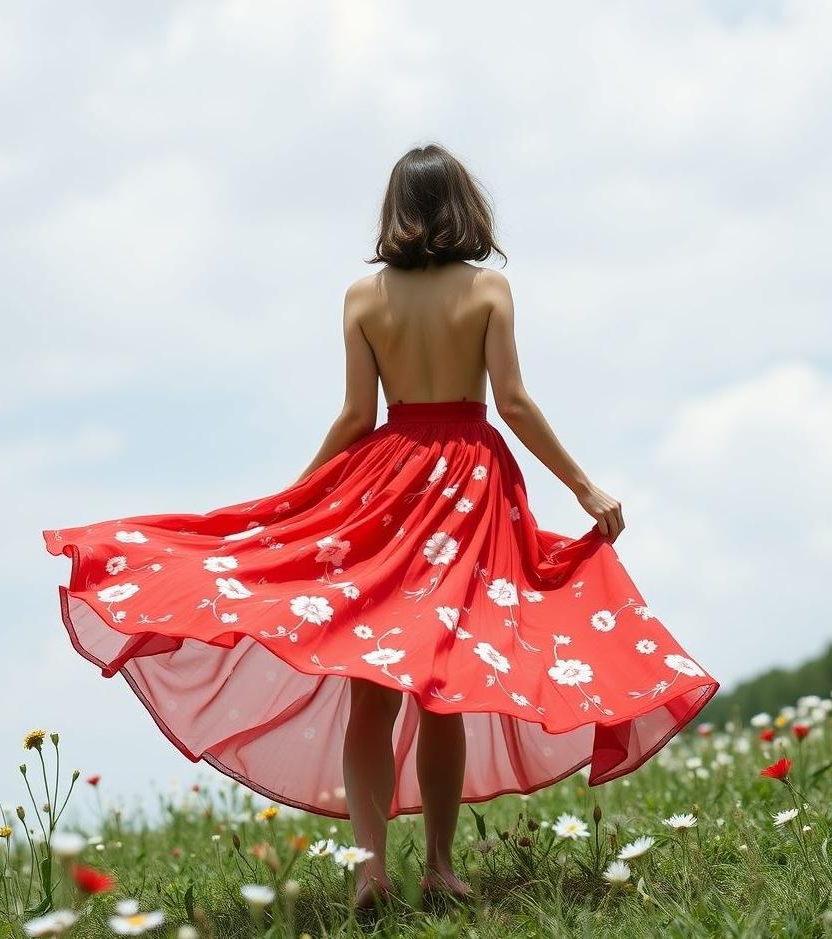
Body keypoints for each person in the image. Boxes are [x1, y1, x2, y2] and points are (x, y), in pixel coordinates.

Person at [42, 142, 720, 912]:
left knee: (372, 688)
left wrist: (292, 503)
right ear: (464, 206)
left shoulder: (362, 298)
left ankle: (370, 870)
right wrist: (583, 485)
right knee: (441, 687)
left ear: (395, 210)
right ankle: (440, 867)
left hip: (388, 489)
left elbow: (355, 417)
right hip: (467, 488)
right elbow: (511, 402)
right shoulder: (489, 288)